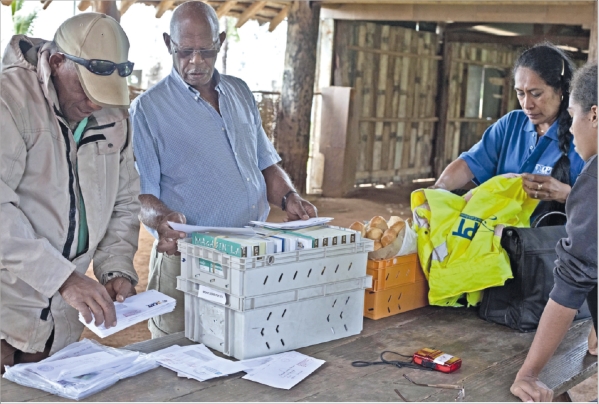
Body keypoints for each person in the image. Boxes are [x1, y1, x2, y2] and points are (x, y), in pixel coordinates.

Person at [131, 1, 318, 339]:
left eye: (206, 51)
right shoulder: (147, 110)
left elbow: (264, 163)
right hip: (188, 259)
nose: (196, 61)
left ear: (220, 42)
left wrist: (289, 197)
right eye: (185, 51)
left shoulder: (240, 92)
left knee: (248, 341)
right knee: (178, 351)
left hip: (251, 254)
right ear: (168, 44)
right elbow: (142, 195)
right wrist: (162, 220)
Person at [0, 13, 141, 372]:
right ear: (57, 62)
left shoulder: (115, 115)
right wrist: (61, 277)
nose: (95, 104)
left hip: (61, 324)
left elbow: (124, 201)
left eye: (104, 94)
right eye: (86, 90)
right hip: (6, 314)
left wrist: (116, 269)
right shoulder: (9, 100)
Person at [510, 62, 598, 402]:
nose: (571, 129)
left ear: (594, 115)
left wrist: (529, 374)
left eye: (572, 116)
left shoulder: (594, 179)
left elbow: (572, 282)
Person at [432, 43, 585, 222]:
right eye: (520, 93)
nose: (527, 104)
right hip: (496, 232)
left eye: (536, 94)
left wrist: (566, 194)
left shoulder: (582, 135)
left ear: (561, 90)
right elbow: (469, 164)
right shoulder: (511, 124)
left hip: (550, 237)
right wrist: (438, 189)